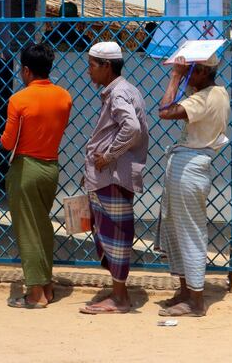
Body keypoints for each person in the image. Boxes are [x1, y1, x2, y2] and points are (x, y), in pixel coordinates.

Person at [156, 54, 231, 317]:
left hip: (189, 168)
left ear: (200, 72)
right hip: (191, 166)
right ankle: (187, 292)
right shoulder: (219, 93)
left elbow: (165, 111)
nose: (187, 76)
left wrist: (175, 76)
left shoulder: (202, 99)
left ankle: (195, 301)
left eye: (191, 72)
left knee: (188, 232)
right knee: (179, 230)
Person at [1, 43, 73, 309]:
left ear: (26, 70)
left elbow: (8, 143)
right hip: (51, 167)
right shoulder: (64, 96)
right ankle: (47, 286)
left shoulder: (19, 100)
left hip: (26, 168)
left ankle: (35, 293)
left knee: (28, 230)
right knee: (42, 226)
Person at [80, 41, 148, 314]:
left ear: (107, 66)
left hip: (113, 176)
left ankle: (120, 297)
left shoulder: (119, 94)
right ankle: (117, 292)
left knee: (116, 235)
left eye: (92, 66)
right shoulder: (123, 91)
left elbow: (130, 128)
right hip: (110, 176)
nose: (89, 73)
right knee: (109, 233)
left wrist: (108, 155)